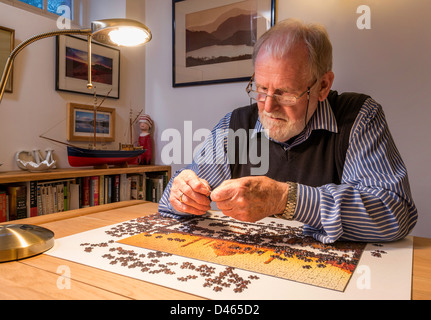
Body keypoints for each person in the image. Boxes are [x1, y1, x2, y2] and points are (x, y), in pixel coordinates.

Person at [158, 18, 417, 244]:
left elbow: (393, 214)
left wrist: (285, 199)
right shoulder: (234, 125)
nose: (268, 106)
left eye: (286, 93)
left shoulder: (359, 117)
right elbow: (168, 202)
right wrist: (182, 196)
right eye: (261, 89)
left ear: (323, 86)